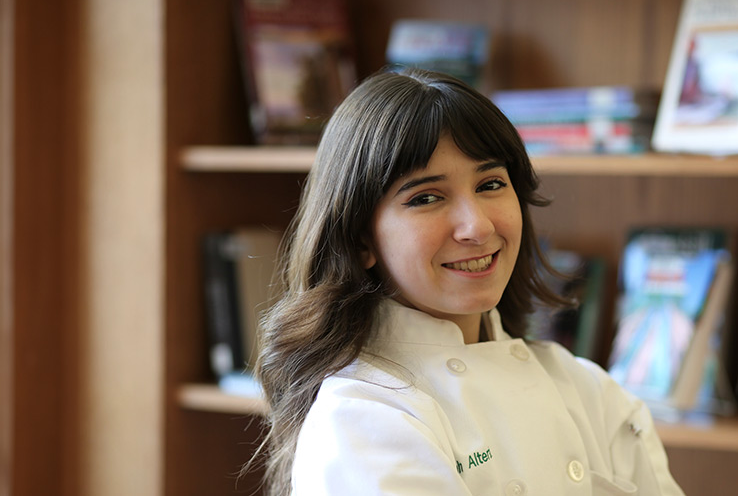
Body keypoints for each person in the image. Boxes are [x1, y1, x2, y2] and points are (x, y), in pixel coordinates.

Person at [257, 68, 685, 496]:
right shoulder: (360, 418)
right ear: (361, 238)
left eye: (491, 184)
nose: (477, 227)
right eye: (426, 197)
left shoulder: (589, 392)